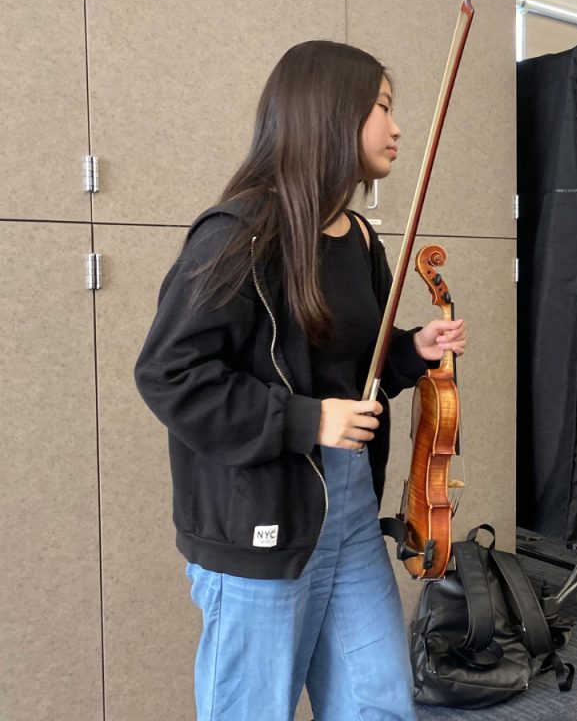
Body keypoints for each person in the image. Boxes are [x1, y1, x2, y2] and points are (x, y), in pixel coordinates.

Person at [134, 40, 466, 721]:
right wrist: (307, 421)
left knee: (380, 705)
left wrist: (410, 351)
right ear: (330, 114)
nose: (396, 127)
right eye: (380, 107)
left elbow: (353, 368)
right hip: (262, 516)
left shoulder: (360, 240)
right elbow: (170, 373)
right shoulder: (239, 234)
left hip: (346, 514)